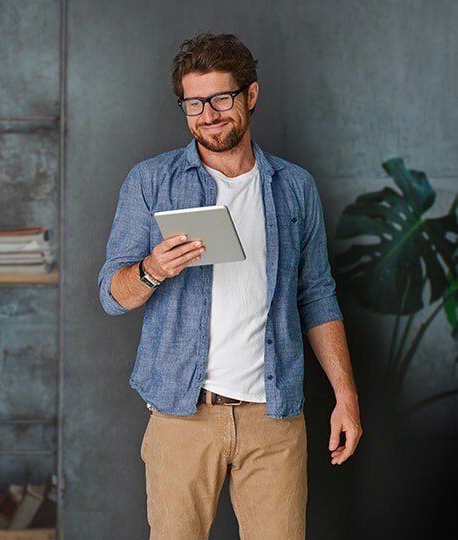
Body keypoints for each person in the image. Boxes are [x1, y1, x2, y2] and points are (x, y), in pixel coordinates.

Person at [97, 33, 362, 540]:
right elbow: (111, 294)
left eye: (221, 98)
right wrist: (153, 268)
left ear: (251, 95)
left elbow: (317, 295)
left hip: (274, 415)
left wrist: (345, 397)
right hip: (181, 415)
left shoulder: (293, 187)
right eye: (194, 103)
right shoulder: (152, 181)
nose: (208, 114)